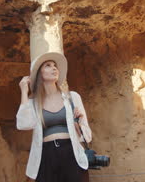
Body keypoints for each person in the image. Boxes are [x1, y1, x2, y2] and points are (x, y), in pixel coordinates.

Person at [16, 52, 92, 181]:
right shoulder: (33, 103)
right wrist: (24, 91)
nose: (54, 68)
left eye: (55, 65)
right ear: (40, 73)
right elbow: (23, 124)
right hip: (46, 155)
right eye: (48, 65)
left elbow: (88, 136)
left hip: (71, 153)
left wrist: (79, 124)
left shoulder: (72, 97)